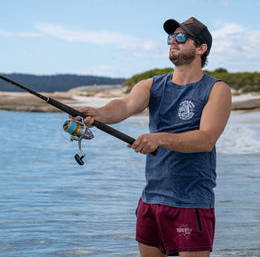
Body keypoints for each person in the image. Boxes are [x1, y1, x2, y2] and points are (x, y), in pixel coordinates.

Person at [74, 17, 231, 256]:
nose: (173, 42)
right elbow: (124, 105)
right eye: (171, 37)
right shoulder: (151, 85)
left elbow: (206, 139)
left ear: (201, 48)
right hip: (151, 200)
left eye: (181, 37)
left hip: (192, 202)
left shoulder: (216, 89)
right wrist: (98, 113)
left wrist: (159, 138)